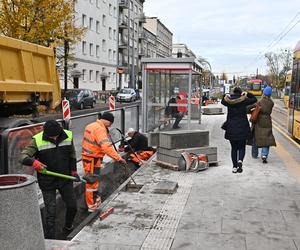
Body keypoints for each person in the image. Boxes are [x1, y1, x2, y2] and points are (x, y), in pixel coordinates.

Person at [20, 120, 79, 239]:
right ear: (46, 134)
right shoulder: (37, 140)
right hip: (47, 180)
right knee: (50, 212)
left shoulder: (67, 135)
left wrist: (74, 172)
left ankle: (68, 227)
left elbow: (72, 155)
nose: (55, 138)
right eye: (52, 136)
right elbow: (23, 156)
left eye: (57, 136)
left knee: (72, 206)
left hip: (65, 179)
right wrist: (33, 162)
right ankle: (50, 237)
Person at [81, 112, 126, 212]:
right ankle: (92, 206)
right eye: (110, 124)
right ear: (108, 121)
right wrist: (118, 158)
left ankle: (94, 199)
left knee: (93, 180)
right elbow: (106, 147)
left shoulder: (91, 125)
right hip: (92, 159)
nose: (110, 126)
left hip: (90, 158)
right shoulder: (100, 130)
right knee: (91, 182)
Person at [221, 87, 257, 173]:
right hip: (242, 127)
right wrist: (247, 93)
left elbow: (222, 101)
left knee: (234, 148)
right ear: (240, 92)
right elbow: (254, 99)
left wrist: (226, 95)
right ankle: (240, 161)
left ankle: (234, 167)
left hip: (231, 127)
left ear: (233, 92)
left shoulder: (228, 101)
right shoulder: (244, 100)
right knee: (241, 147)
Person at [251, 86, 276, 163]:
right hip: (267, 121)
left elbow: (252, 108)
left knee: (256, 136)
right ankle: (264, 155)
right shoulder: (271, 103)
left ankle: (254, 154)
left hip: (259, 120)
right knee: (267, 138)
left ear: (263, 93)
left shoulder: (260, 101)